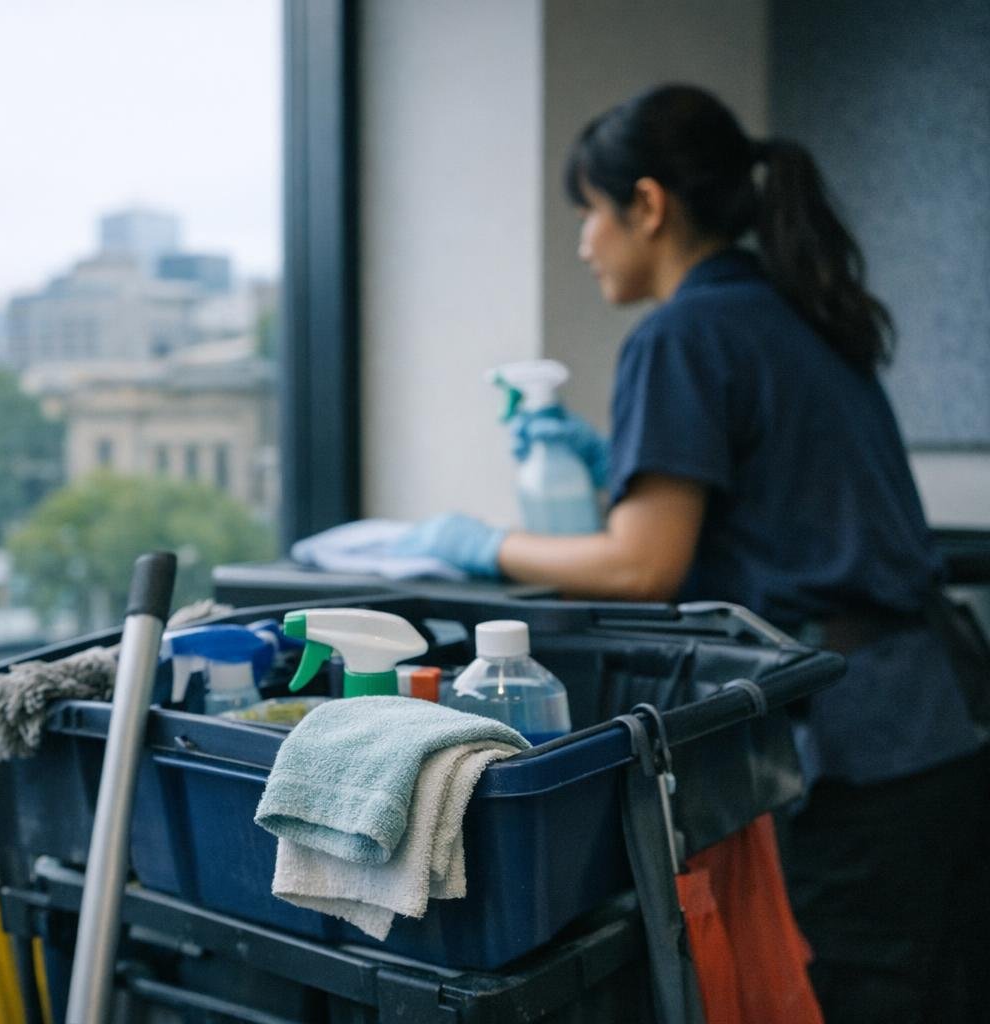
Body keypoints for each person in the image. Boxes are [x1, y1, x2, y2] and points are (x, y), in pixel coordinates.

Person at [394, 83, 988, 1023]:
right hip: (937, 722)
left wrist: (474, 543)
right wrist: (609, 465)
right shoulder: (797, 310)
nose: (585, 243)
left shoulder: (681, 333)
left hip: (853, 753)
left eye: (590, 213)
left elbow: (643, 567)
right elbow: (775, 510)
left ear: (649, 205)